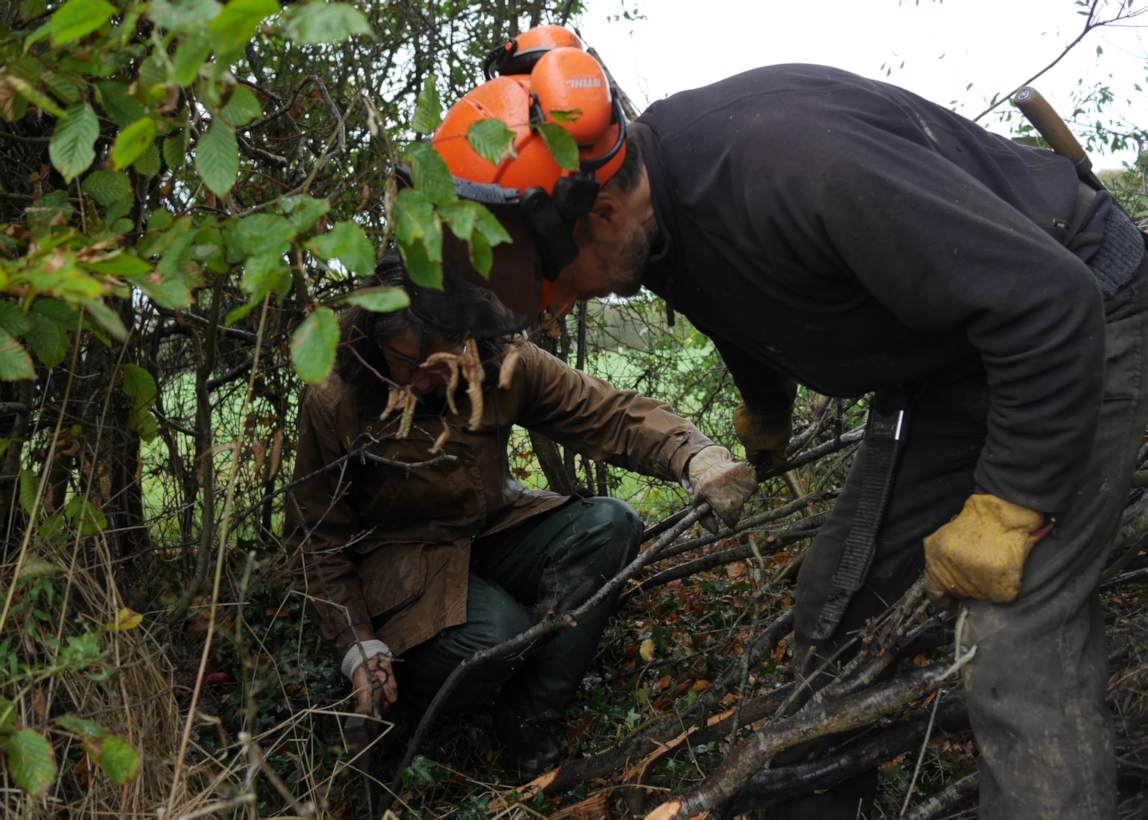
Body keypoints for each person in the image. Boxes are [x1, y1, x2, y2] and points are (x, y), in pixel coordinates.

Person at [426, 25, 1148, 817]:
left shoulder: (790, 165)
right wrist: (765, 407)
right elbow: (734, 300)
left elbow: (1050, 304)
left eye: (558, 278)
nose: (562, 302)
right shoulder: (652, 229)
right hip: (948, 365)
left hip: (1078, 328)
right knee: (838, 608)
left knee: (1015, 636)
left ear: (598, 209)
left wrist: (1012, 501)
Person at [285, 256, 756, 775]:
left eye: (439, 364)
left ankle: (528, 718)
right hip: (400, 563)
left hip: (493, 528)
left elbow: (604, 411)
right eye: (402, 361)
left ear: (467, 340)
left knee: (610, 525)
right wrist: (357, 645)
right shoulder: (336, 396)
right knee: (496, 635)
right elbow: (315, 537)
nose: (420, 381)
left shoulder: (502, 363)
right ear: (374, 338)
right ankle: (406, 710)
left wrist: (694, 457)